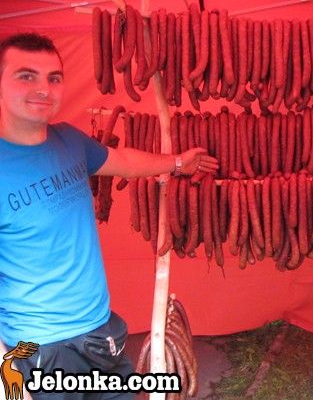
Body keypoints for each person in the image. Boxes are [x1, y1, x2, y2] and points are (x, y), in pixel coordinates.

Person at [0, 32, 218, 399]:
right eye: (26, 76)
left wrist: (179, 163)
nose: (43, 89)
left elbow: (123, 161)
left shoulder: (69, 140)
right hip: (40, 349)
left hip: (100, 329)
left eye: (54, 78)